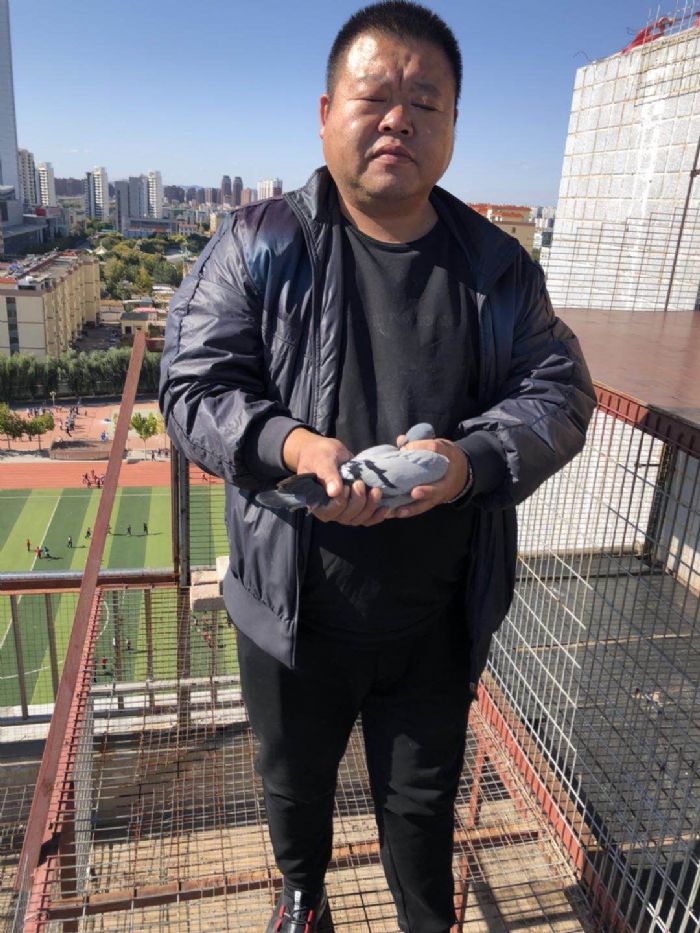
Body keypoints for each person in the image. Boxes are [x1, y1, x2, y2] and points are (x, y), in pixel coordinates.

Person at [159, 4, 596, 931]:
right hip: (291, 611)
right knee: (293, 785)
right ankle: (302, 898)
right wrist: (295, 447)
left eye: (426, 102)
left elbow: (559, 393)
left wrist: (464, 462)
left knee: (421, 806)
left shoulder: (496, 268)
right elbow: (194, 389)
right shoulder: (257, 244)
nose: (399, 119)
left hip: (435, 618)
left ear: (452, 126)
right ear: (327, 114)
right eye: (375, 98)